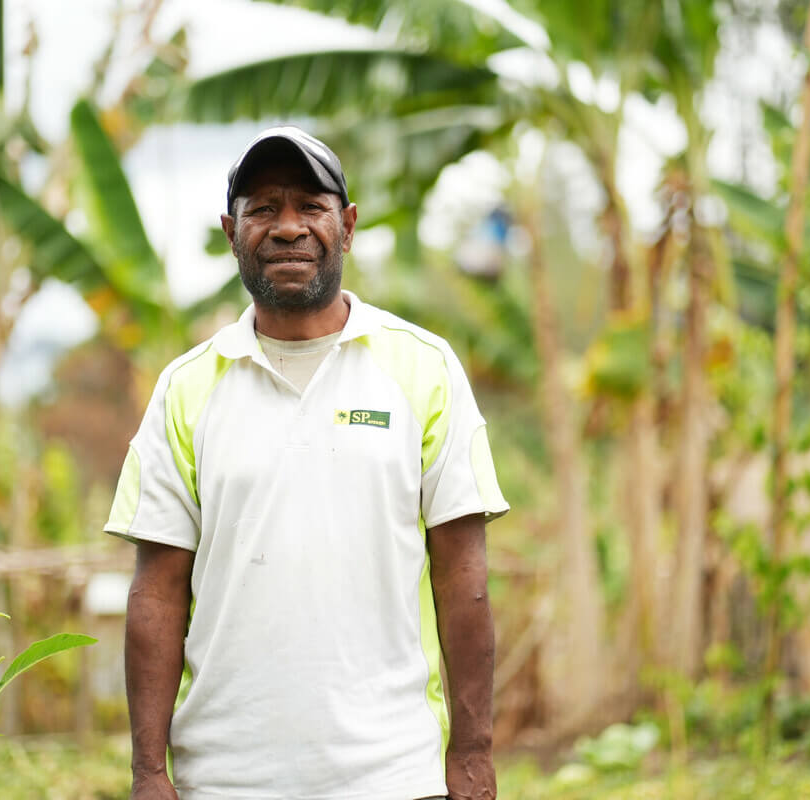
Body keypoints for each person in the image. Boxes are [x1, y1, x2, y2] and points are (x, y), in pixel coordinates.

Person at [104, 126, 509, 800]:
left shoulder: (423, 368)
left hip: (394, 775)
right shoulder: (187, 387)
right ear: (231, 230)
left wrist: (471, 754)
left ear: (346, 227)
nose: (287, 227)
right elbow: (157, 592)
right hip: (225, 780)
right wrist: (149, 771)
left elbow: (462, 575)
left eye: (310, 206)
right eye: (262, 208)